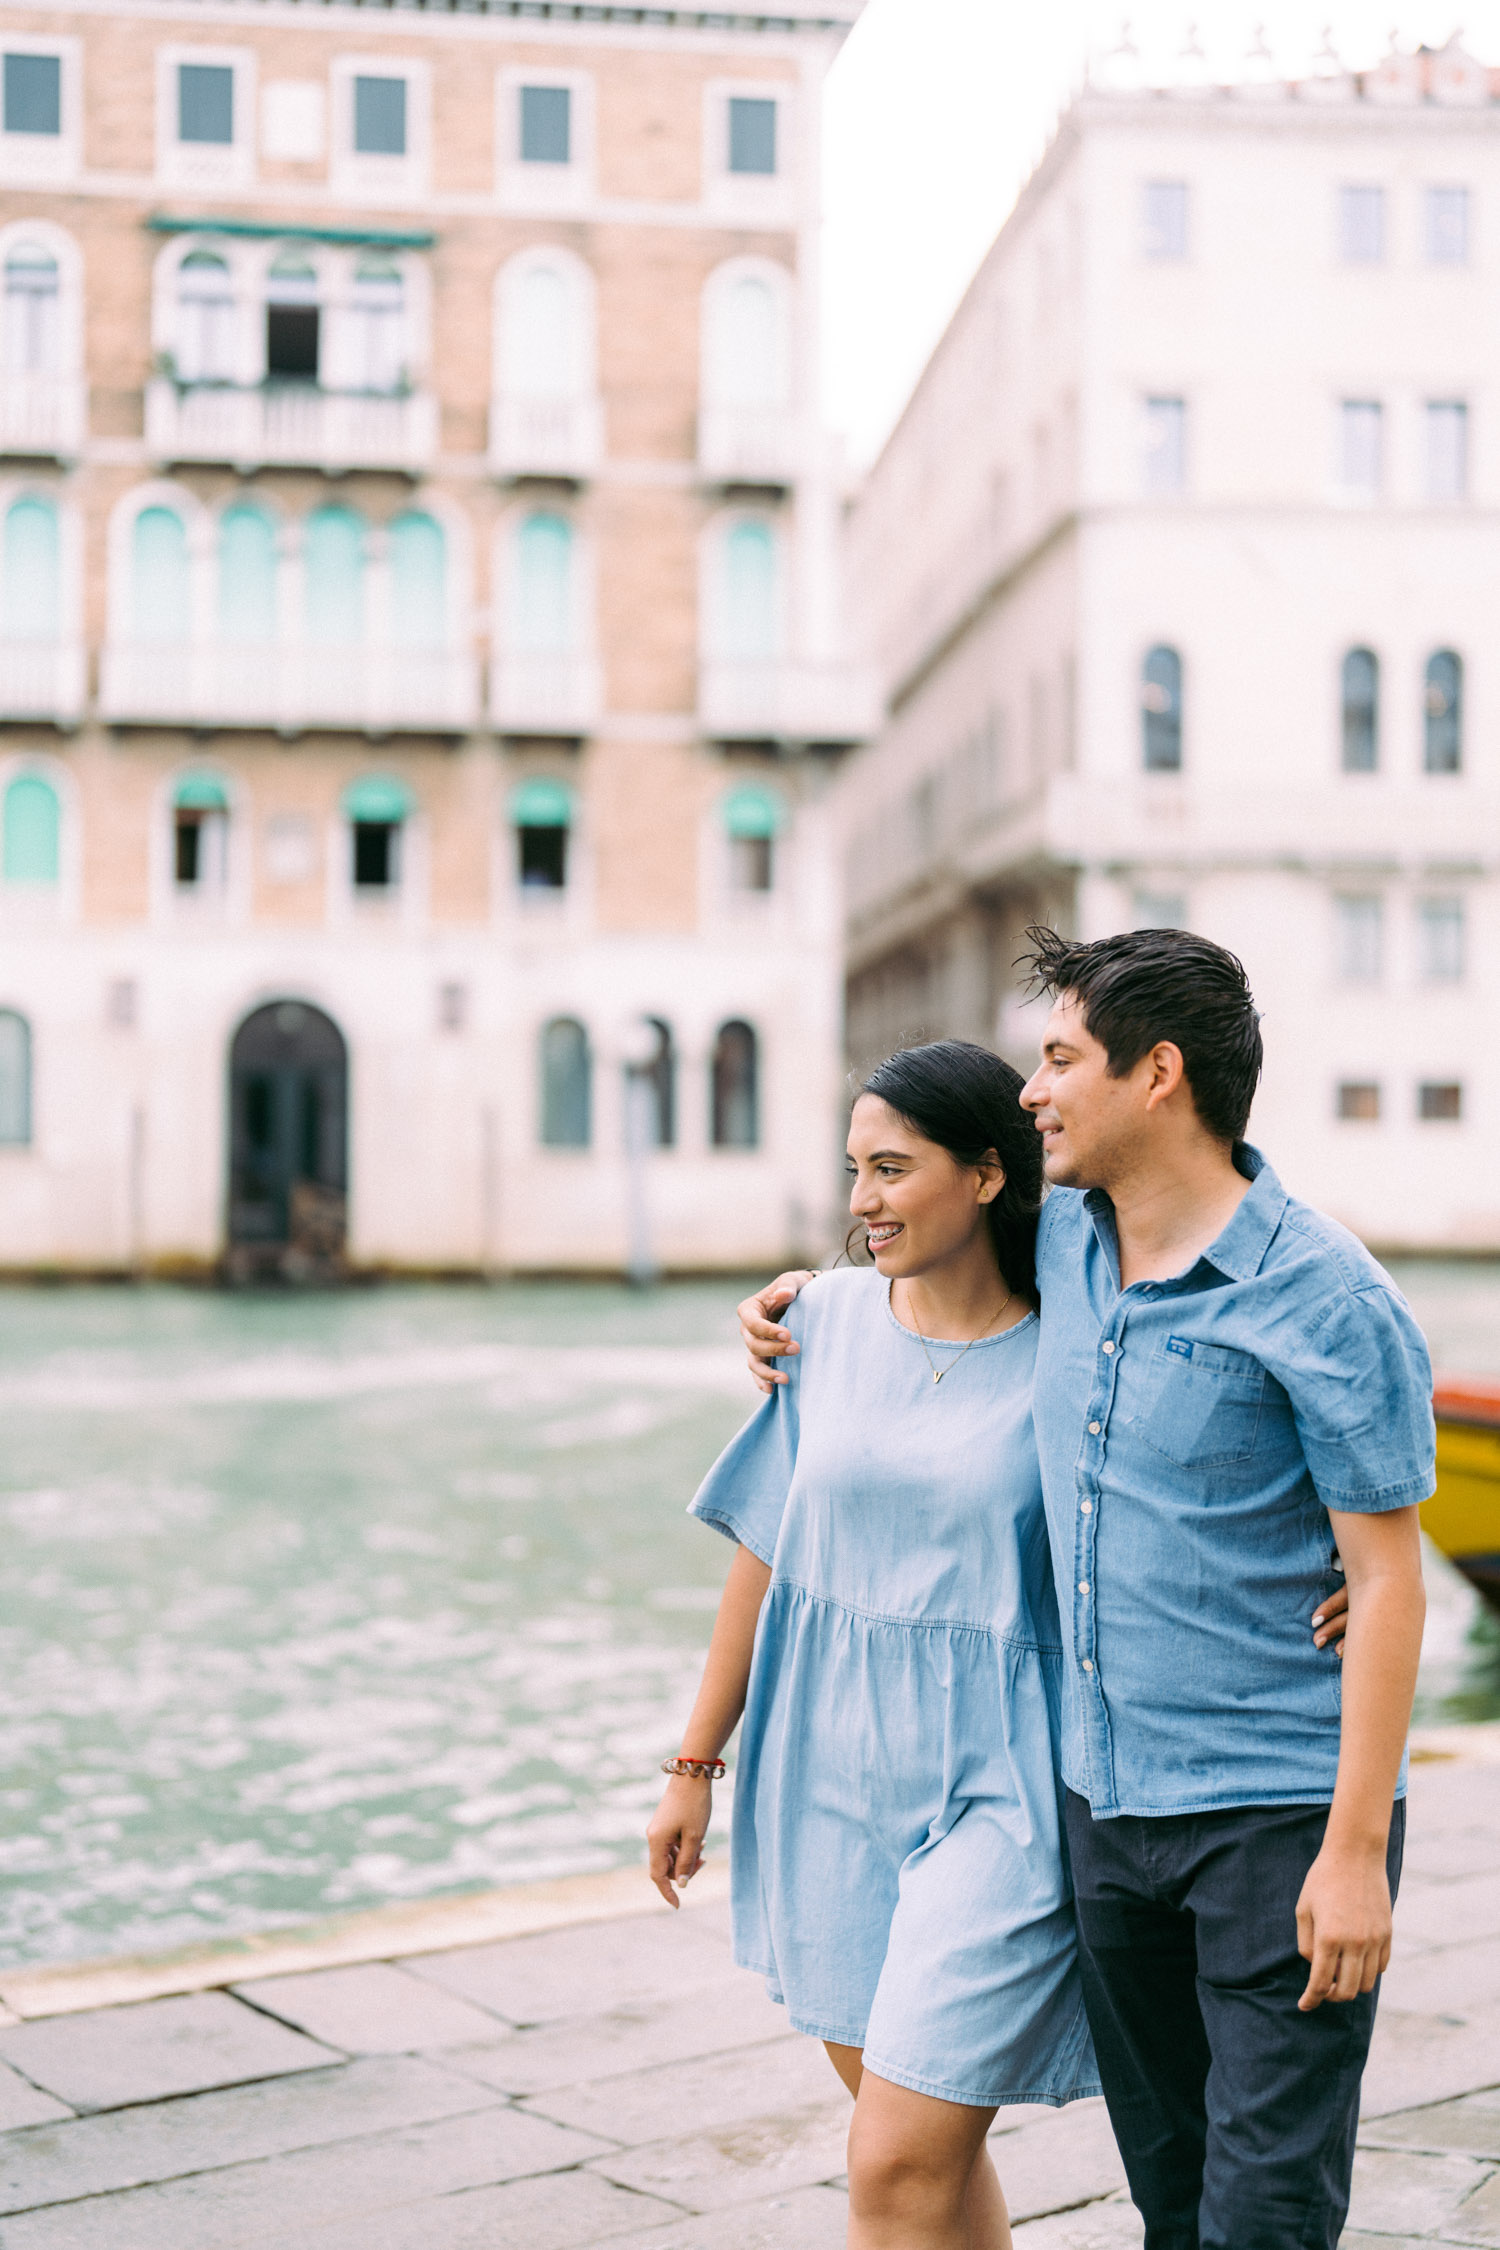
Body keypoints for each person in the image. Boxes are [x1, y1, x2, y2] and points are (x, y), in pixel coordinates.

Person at [736, 926, 1431, 2250]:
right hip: (1104, 1807)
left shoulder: (1328, 1296)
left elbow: (1391, 1573)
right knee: (1172, 2195)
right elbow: (920, 1238)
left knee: (1265, 2208)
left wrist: (1353, 1855)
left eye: (1058, 1058)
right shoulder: (1065, 1241)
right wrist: (794, 1304)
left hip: (1275, 1813)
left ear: (1157, 1073)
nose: (1035, 1089)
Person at [649, 1041, 1100, 2250]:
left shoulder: (1077, 1348)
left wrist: (1324, 1571)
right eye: (855, 1170)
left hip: (998, 1782)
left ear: (989, 1176)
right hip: (825, 1768)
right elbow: (766, 1547)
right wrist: (695, 1763)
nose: (863, 1203)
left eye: (894, 1169)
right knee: (921, 2162)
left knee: (896, 2160)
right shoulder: (820, 1323)